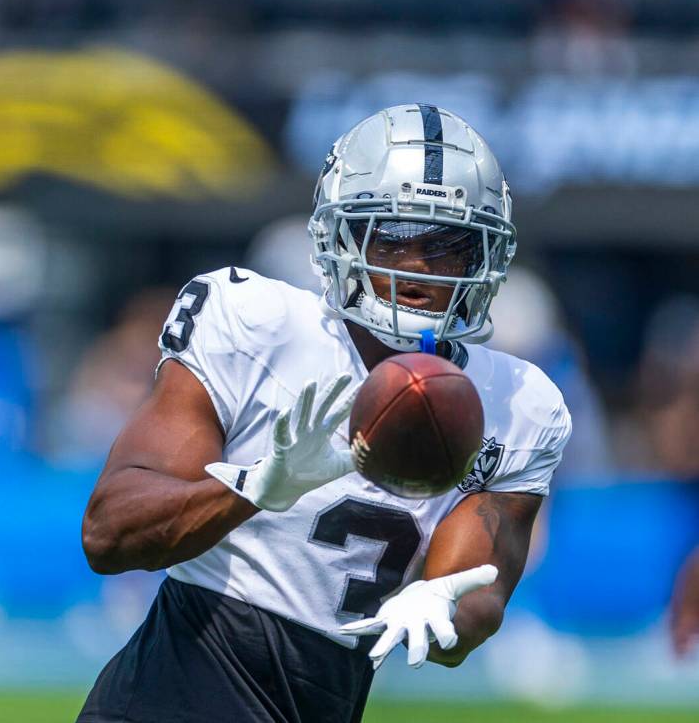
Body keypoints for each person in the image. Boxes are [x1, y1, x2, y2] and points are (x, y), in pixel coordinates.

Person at [77, 104, 572, 723]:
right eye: (391, 233)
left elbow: (478, 593)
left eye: (449, 243)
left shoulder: (519, 404)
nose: (418, 265)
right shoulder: (255, 324)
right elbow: (108, 534)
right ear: (341, 234)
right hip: (170, 693)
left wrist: (439, 603)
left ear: (485, 256)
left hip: (325, 697)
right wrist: (253, 490)